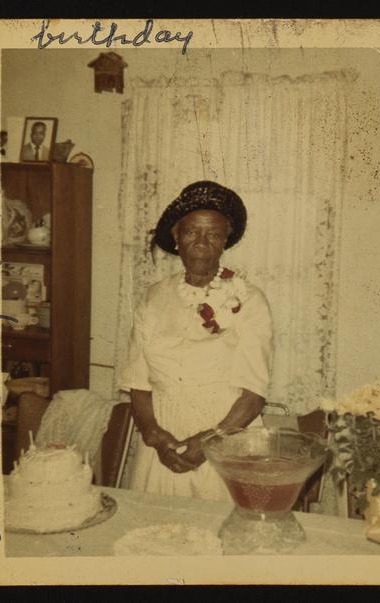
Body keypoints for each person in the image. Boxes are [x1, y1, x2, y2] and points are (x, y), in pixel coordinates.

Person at [119, 181, 273, 502]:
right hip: (163, 443)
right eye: (191, 232)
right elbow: (138, 381)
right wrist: (153, 434)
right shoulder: (153, 298)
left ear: (225, 241)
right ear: (176, 237)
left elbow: (254, 395)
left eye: (213, 234)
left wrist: (209, 442)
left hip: (227, 437)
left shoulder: (250, 300)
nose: (201, 242)